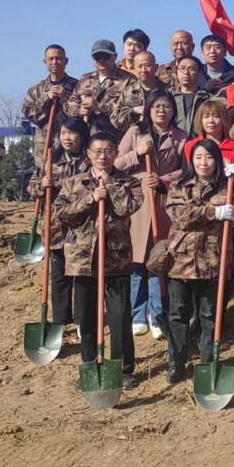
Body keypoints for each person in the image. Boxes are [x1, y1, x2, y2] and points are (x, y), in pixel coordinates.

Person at [53, 131, 143, 389]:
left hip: (116, 259)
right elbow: (62, 214)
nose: (103, 156)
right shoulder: (74, 183)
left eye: (108, 151)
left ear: (116, 154)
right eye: (98, 152)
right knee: (87, 318)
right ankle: (90, 365)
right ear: (89, 154)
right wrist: (90, 199)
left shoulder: (129, 182)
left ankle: (123, 369)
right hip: (83, 259)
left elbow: (127, 207)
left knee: (119, 317)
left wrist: (109, 185)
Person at [161, 140, 234, 383]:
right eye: (198, 157)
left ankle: (208, 362)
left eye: (209, 157)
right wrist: (213, 212)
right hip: (181, 260)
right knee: (178, 313)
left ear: (217, 160)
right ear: (191, 161)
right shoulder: (181, 185)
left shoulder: (227, 186)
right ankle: (176, 362)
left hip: (213, 260)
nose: (203, 163)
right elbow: (178, 214)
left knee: (209, 314)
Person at [115, 90, 188, 339]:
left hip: (164, 202)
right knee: (137, 262)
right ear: (148, 109)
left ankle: (156, 315)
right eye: (157, 106)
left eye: (166, 106)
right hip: (139, 202)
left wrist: (165, 179)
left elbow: (186, 170)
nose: (162, 111)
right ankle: (137, 314)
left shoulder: (180, 137)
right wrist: (136, 154)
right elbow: (116, 163)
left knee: (159, 260)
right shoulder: (135, 132)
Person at [27, 117, 90, 339]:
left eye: (71, 133)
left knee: (81, 276)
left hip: (82, 228)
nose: (67, 138)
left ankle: (83, 321)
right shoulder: (51, 161)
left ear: (82, 136)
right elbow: (31, 186)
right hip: (56, 228)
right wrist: (41, 185)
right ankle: (61, 322)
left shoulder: (90, 161)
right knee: (59, 277)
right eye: (63, 133)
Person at [22, 44, 78, 167]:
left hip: (70, 143)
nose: (54, 62)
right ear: (45, 62)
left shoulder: (77, 86)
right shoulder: (36, 89)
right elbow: (29, 114)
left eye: (58, 58)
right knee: (44, 176)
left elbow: (81, 114)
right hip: (45, 145)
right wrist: (46, 98)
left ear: (66, 61)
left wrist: (65, 97)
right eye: (51, 59)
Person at [65, 39, 134, 137]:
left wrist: (100, 107)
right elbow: (70, 104)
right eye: (97, 57)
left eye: (105, 56)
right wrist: (79, 111)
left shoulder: (129, 80)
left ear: (115, 56)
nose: (101, 60)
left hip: (115, 137)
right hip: (87, 137)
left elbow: (130, 111)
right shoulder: (85, 79)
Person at [182, 100, 234, 172]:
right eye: (206, 116)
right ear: (200, 120)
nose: (211, 121)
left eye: (216, 116)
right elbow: (187, 175)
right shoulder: (190, 147)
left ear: (224, 119)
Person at [111, 51, 167, 134]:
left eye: (148, 66)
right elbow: (116, 119)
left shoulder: (167, 90)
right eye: (140, 66)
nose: (143, 70)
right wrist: (134, 110)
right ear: (135, 68)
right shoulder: (128, 92)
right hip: (135, 136)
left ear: (156, 67)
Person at [171, 55, 211, 137]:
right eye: (182, 68)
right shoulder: (169, 98)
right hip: (174, 142)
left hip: (199, 142)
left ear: (199, 73)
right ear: (176, 73)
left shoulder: (208, 99)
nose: (186, 72)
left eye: (191, 69)